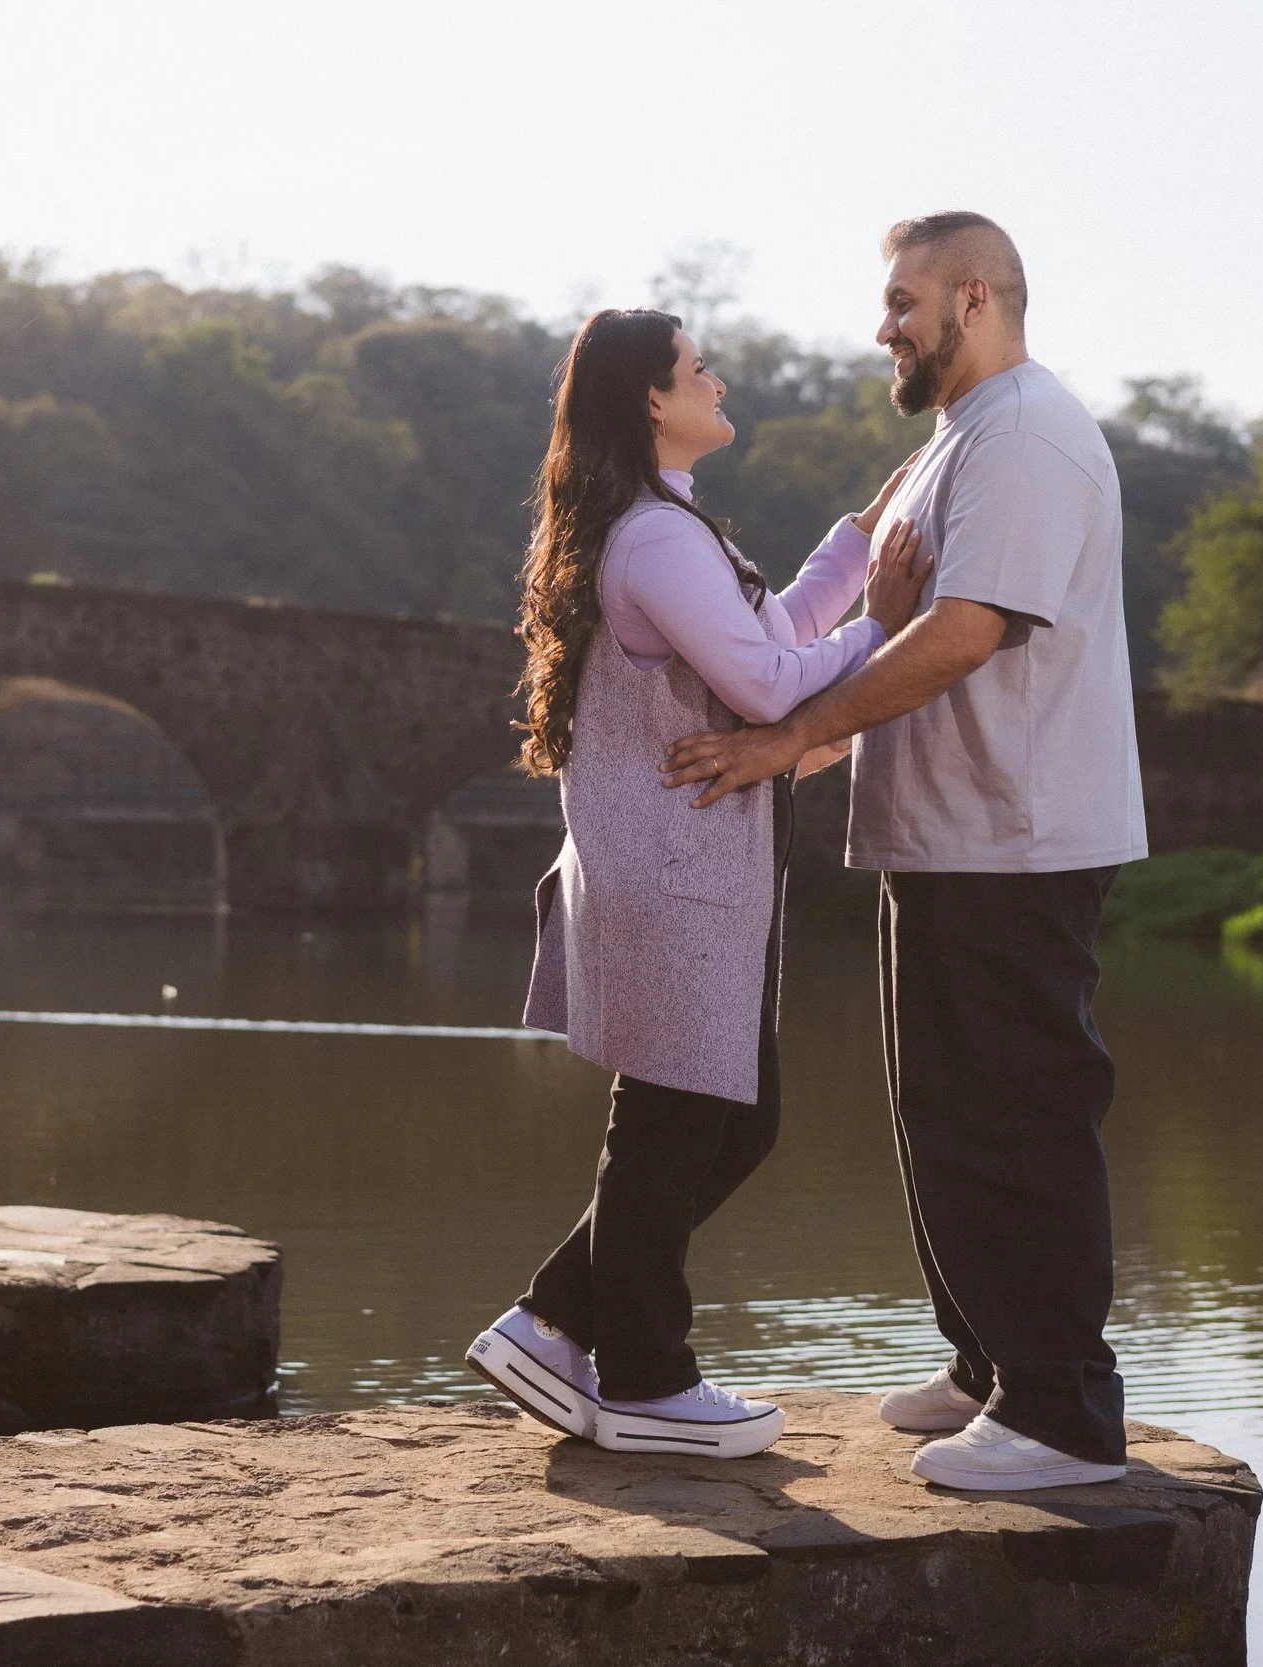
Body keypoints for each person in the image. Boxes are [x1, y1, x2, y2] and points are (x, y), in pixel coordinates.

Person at [661, 213, 1147, 1491]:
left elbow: (964, 630)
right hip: (946, 835)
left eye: (902, 303)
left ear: (972, 297)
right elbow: (873, 595)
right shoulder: (954, 443)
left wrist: (793, 741)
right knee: (942, 1112)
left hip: (1016, 836)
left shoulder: (1029, 435)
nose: (883, 327)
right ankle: (990, 1365)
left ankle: (1061, 1412)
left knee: (1016, 1115)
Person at [466, 308, 933, 1460]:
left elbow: (763, 634)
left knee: (725, 1119)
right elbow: (772, 684)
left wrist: (852, 550)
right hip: (674, 872)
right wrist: (895, 619)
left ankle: (556, 1320)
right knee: (678, 1122)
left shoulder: (659, 530)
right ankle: (644, 1376)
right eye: (696, 370)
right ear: (650, 403)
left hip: (681, 869)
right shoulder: (659, 540)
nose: (717, 379)